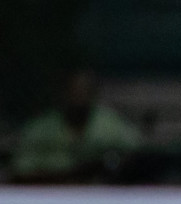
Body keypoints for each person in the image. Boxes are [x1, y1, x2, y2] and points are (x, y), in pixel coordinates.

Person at [11, 69, 141, 184]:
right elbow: (21, 172)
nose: (79, 96)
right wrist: (70, 176)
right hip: (49, 198)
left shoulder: (111, 125)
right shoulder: (40, 129)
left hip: (101, 198)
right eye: (73, 90)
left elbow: (139, 156)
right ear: (62, 92)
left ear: (93, 93)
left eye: (84, 90)